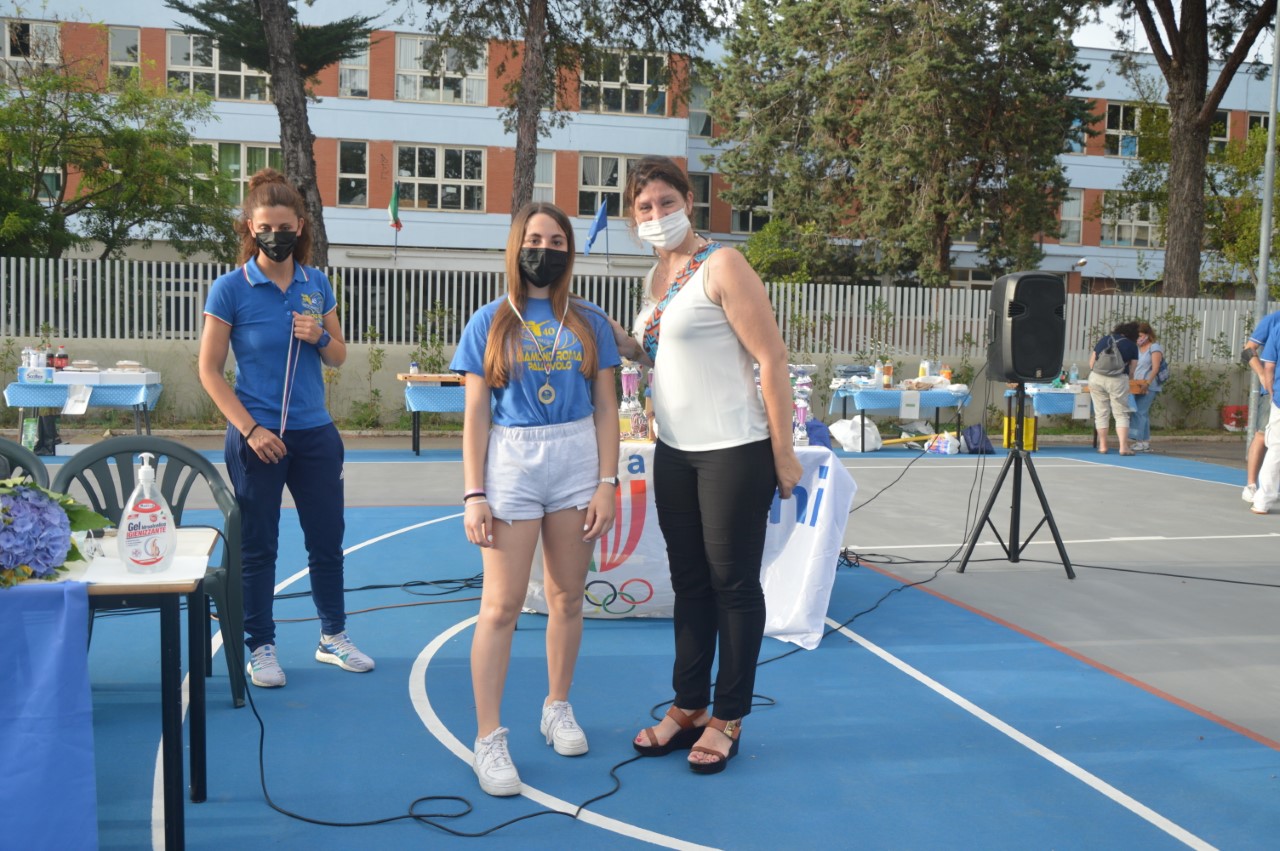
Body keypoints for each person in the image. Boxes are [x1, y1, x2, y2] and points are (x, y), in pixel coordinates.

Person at [610, 156, 803, 776]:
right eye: (645, 206)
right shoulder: (655, 278)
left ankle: (728, 717)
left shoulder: (723, 265)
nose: (657, 214)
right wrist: (625, 341)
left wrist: (782, 452)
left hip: (734, 451)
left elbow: (771, 359)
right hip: (675, 452)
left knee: (733, 586)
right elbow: (663, 356)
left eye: (667, 202)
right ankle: (690, 704)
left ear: (688, 202)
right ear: (632, 217)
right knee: (689, 584)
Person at [450, 202, 620, 797]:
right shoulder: (490, 321)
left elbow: (607, 407)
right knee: (500, 606)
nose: (543, 250)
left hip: (575, 457)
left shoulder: (589, 321)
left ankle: (557, 706)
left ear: (569, 251)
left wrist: (607, 482)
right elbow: (475, 415)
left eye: (555, 241)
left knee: (567, 596)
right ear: (515, 247)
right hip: (513, 460)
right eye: (534, 239)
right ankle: (488, 736)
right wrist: (474, 493)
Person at [199, 168, 373, 689]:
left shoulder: (316, 283)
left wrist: (319, 335)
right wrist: (251, 430)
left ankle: (333, 635)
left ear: (300, 226)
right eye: (265, 227)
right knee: (259, 546)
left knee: (327, 542)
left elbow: (339, 355)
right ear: (250, 229)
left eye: (285, 227)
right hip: (258, 438)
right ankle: (261, 645)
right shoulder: (231, 288)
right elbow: (209, 371)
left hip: (315, 434)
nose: (276, 235)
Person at [1242, 309, 1280, 501]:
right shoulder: (1274, 319)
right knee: (1262, 435)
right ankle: (1251, 485)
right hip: (1273, 390)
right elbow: (1248, 349)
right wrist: (1263, 375)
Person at [1088, 322, 1140, 455]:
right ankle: (1123, 447)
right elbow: (1132, 370)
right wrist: (1127, 380)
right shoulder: (1132, 346)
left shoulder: (1105, 339)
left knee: (1101, 413)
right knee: (1121, 413)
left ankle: (1103, 446)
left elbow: (1091, 363)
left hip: (1096, 378)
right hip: (1118, 380)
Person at [1249, 325, 1280, 514]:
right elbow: (1248, 350)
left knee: (1276, 448)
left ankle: (1262, 499)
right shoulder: (1273, 322)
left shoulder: (1278, 328)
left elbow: (1269, 366)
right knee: (1271, 444)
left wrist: (1271, 392)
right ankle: (1254, 488)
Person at [1130, 321, 1166, 452]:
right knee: (1141, 412)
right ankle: (1145, 442)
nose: (1139, 339)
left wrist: (1147, 382)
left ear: (1147, 334)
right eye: (1137, 336)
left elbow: (1155, 368)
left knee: (1140, 412)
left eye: (1141, 336)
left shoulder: (1154, 347)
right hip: (1137, 385)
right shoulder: (1137, 349)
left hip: (1149, 385)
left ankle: (1140, 441)